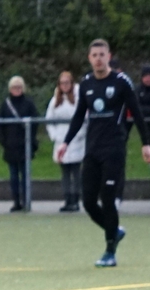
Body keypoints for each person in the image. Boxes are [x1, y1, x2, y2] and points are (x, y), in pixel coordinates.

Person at [58, 39, 150, 267]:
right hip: (92, 150)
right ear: (89, 58)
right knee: (89, 202)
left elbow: (137, 113)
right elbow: (79, 116)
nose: (98, 59)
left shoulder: (121, 82)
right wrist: (65, 142)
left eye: (102, 55)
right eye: (94, 55)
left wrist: (146, 143)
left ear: (109, 57)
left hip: (114, 149)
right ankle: (114, 230)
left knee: (108, 199)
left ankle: (110, 251)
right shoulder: (86, 83)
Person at [0, 76, 38, 212]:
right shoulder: (5, 105)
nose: (17, 90)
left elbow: (35, 122)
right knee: (13, 176)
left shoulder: (29, 103)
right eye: (14, 87)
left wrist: (31, 139)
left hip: (25, 145)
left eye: (19, 87)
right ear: (10, 89)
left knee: (26, 176)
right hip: (11, 146)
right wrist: (4, 141)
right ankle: (16, 202)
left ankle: (26, 201)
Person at [45, 72, 85, 213]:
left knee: (76, 171)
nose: (65, 86)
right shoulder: (55, 100)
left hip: (76, 139)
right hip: (60, 139)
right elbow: (49, 120)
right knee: (65, 172)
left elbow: (83, 118)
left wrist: (78, 135)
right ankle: (67, 199)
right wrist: (55, 136)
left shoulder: (79, 99)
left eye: (67, 83)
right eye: (62, 83)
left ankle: (76, 200)